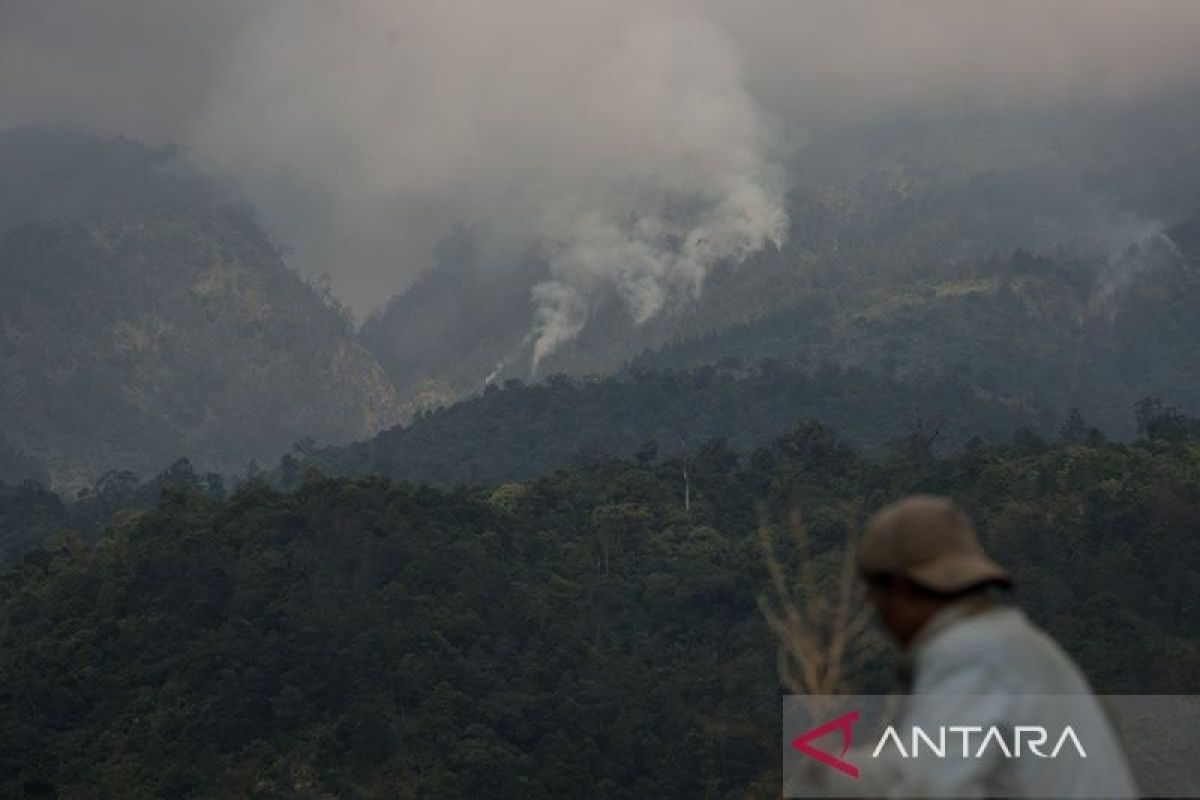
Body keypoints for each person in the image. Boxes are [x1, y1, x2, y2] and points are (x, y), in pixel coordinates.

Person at [829, 495, 1137, 798]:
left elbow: (924, 787)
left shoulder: (970, 656)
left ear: (900, 590)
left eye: (875, 600)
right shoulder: (1014, 644)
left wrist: (824, 779)